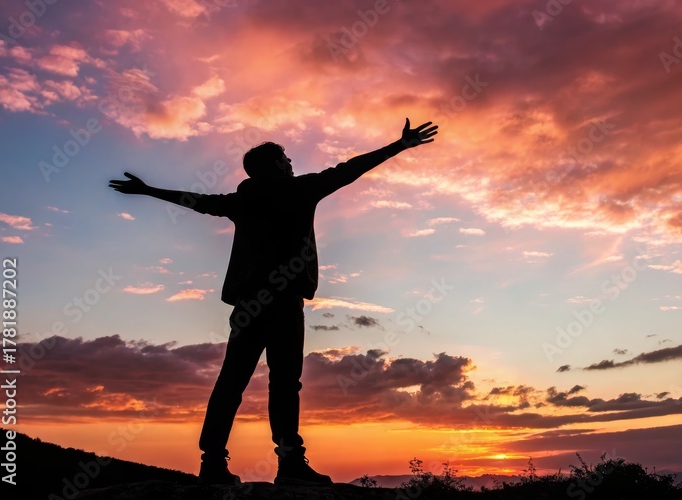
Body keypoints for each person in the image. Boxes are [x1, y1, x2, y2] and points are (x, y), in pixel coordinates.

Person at [108, 119, 438, 486]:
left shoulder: (242, 200)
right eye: (286, 158)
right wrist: (399, 145)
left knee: (231, 382)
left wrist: (148, 190)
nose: (291, 162)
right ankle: (290, 462)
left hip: (248, 305)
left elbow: (198, 202)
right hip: (283, 302)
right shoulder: (300, 189)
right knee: (284, 383)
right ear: (278, 165)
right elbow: (350, 169)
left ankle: (212, 462)